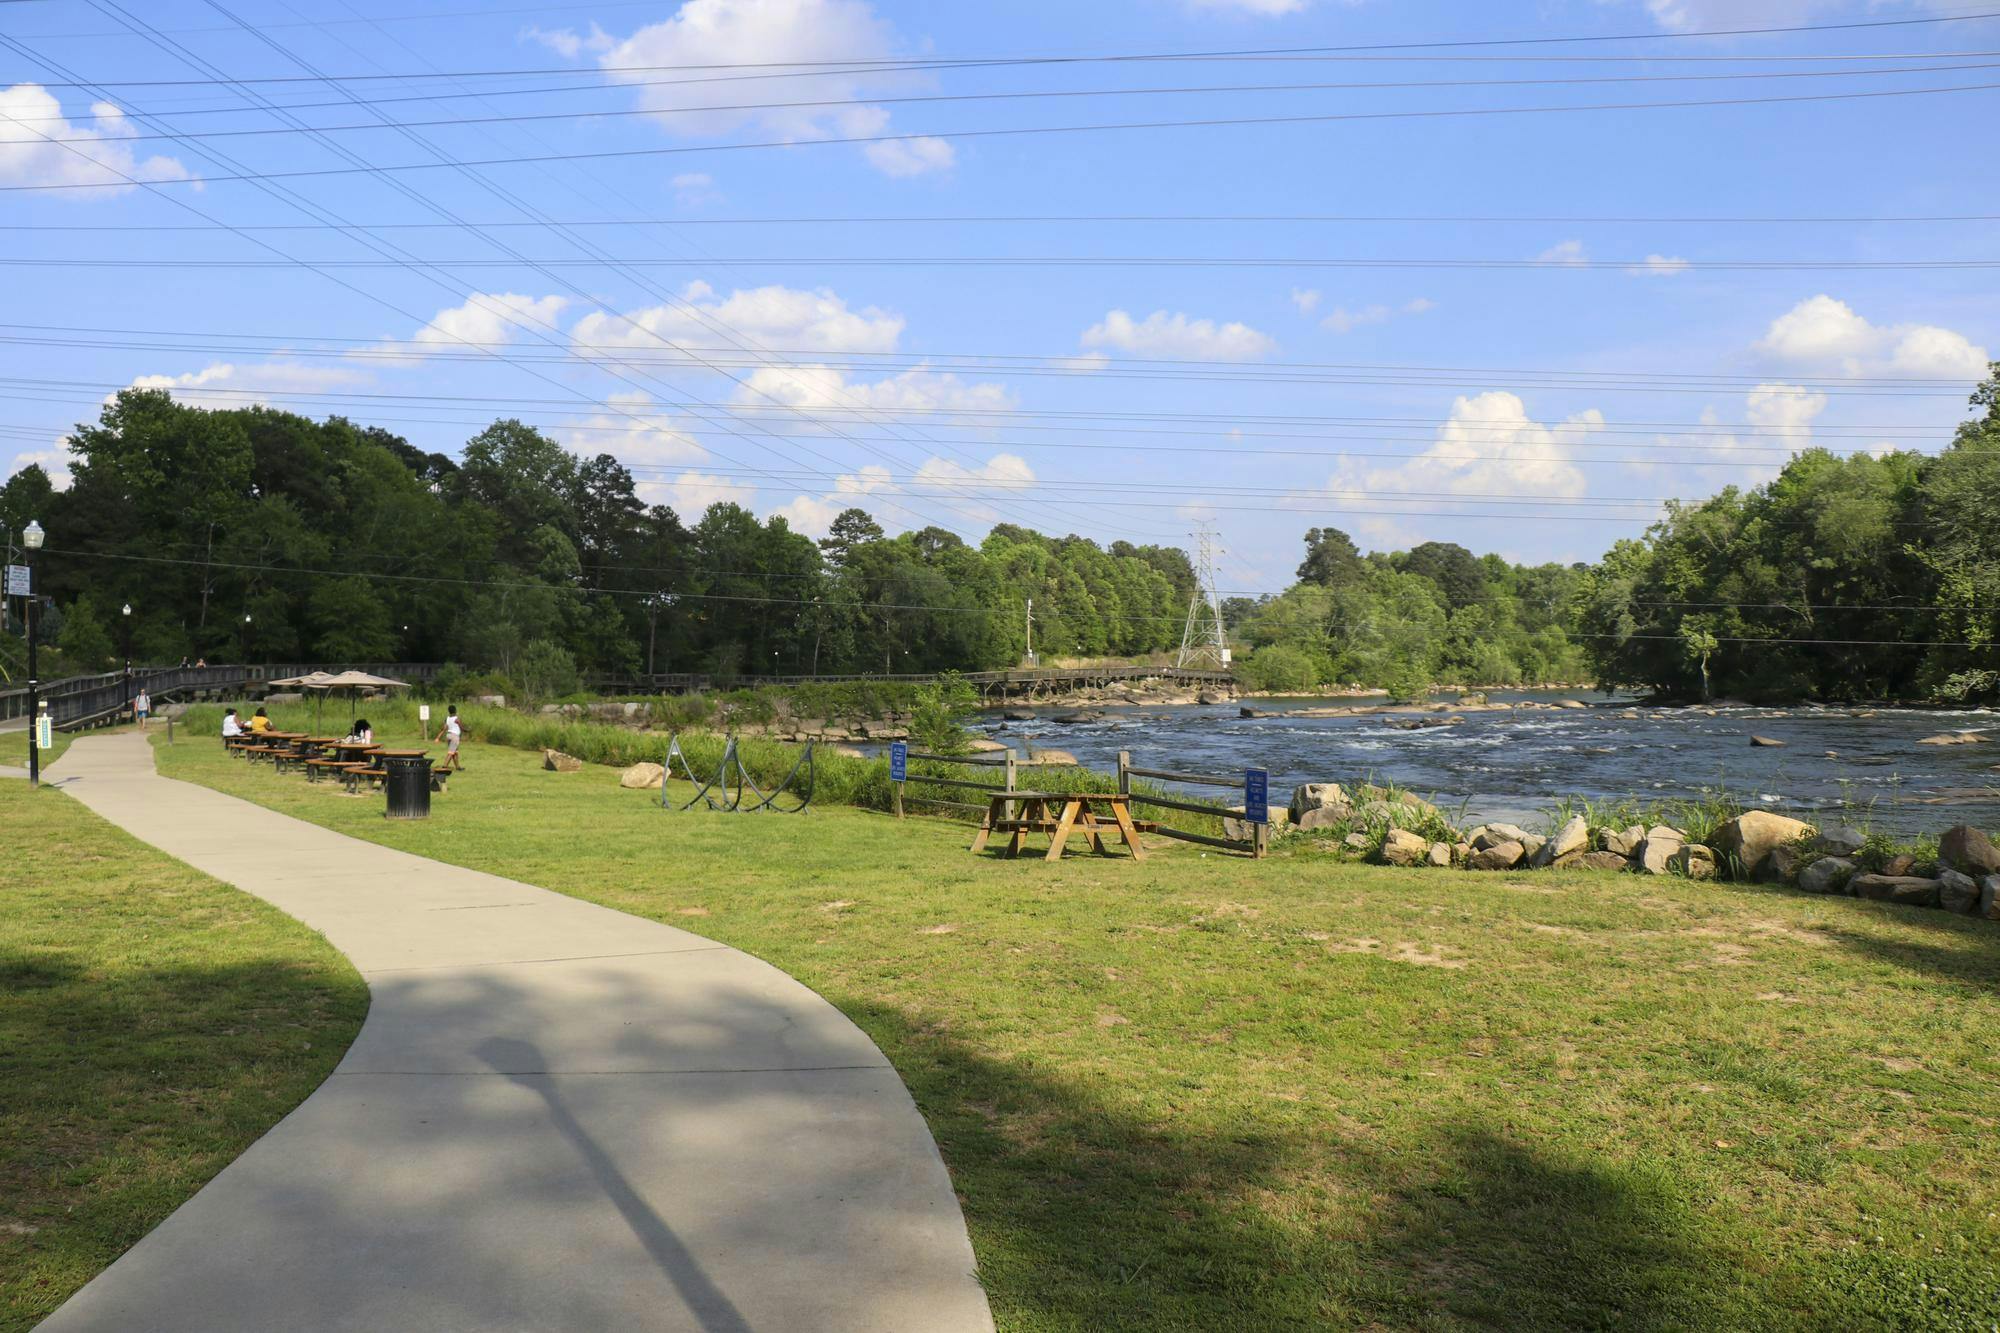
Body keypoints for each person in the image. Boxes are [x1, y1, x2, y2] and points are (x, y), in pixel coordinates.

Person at [433, 704, 463, 770]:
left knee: (455, 752)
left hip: (448, 735)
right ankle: (444, 766)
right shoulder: (456, 719)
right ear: (455, 710)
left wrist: (438, 737)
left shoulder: (447, 718)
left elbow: (444, 728)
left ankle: (458, 767)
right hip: (455, 736)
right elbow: (462, 728)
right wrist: (468, 730)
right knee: (451, 752)